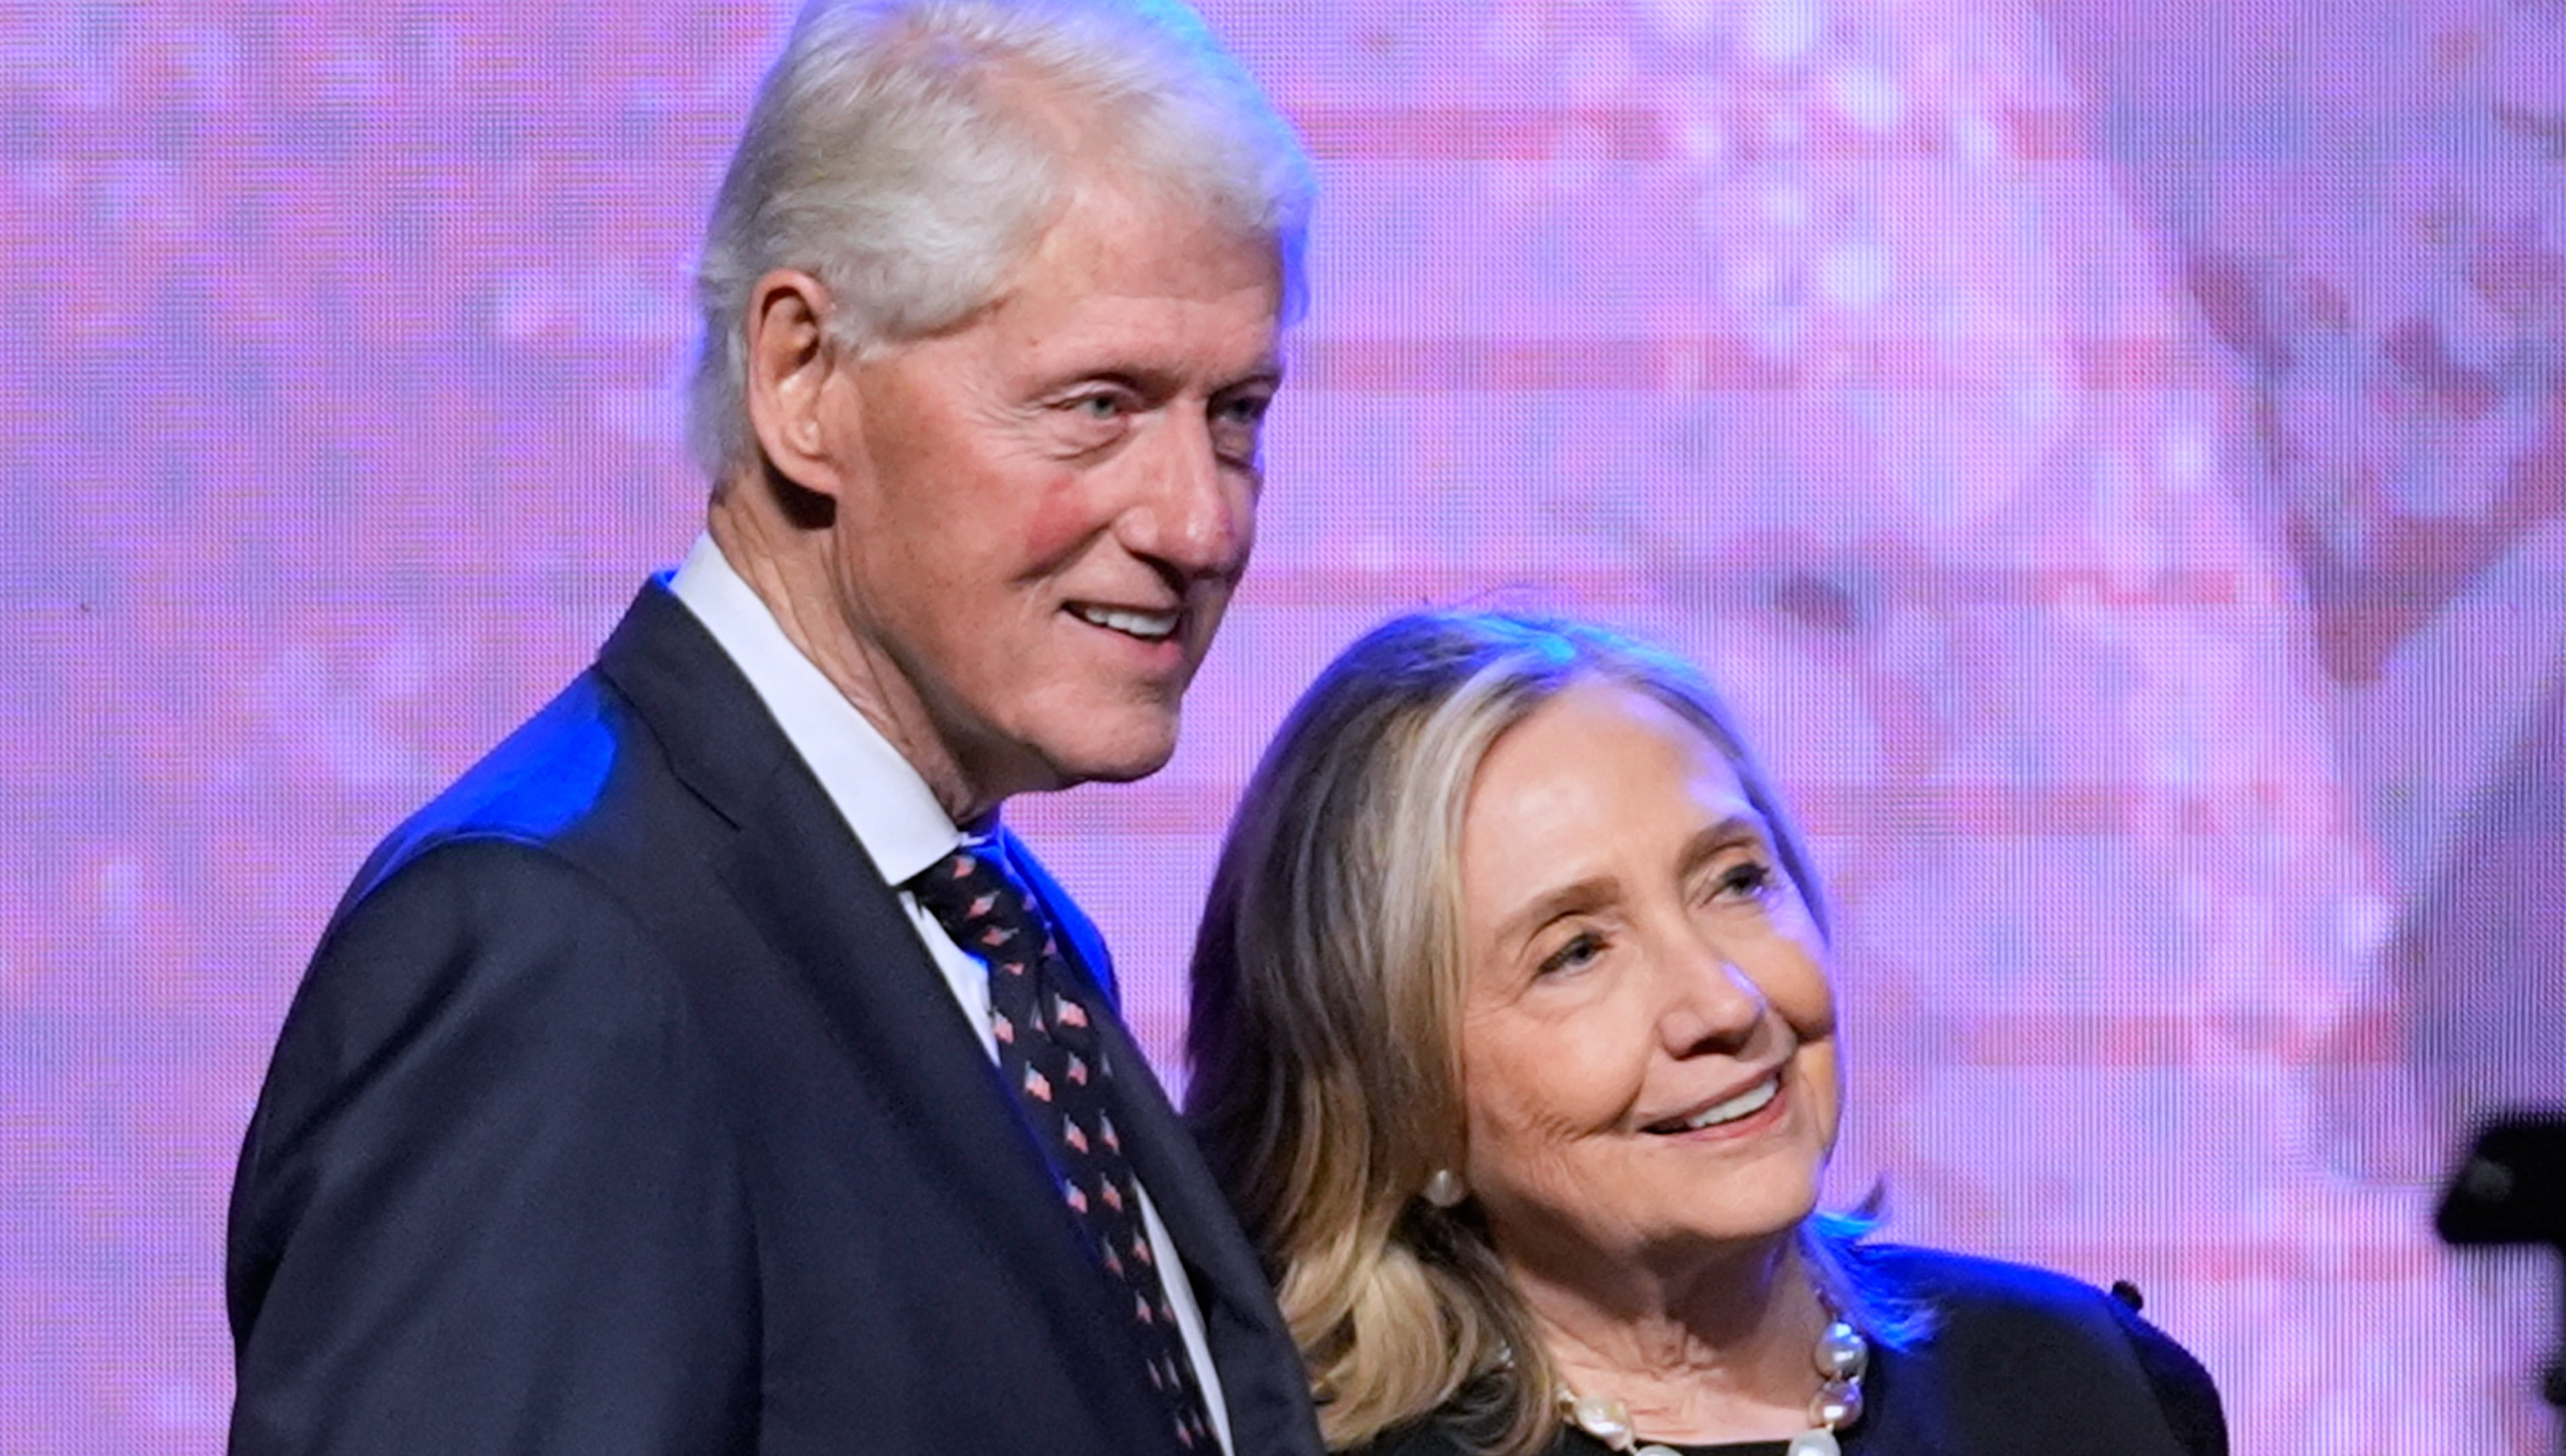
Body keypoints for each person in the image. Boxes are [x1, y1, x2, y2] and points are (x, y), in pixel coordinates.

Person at [224, 3, 1321, 1453]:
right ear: (803, 382)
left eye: (1234, 414)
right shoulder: (560, 959)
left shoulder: (1009, 941)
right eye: (1098, 405)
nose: (1199, 520)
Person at [1183, 612, 2230, 1456]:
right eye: (1576, 953)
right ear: (1402, 1105)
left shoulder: (2087, 1387)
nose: (1724, 1004)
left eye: (1736, 882)